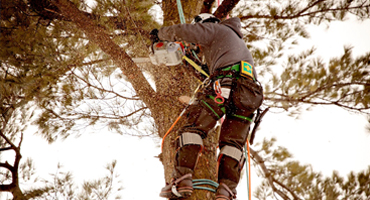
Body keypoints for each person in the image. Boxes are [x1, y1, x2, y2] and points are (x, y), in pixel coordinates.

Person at [150, 13, 263, 200]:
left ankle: (182, 181)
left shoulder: (215, 29)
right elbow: (207, 74)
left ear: (204, 25)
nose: (199, 47)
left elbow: (184, 31)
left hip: (226, 84)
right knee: (233, 144)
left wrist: (160, 34)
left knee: (194, 127)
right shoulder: (231, 43)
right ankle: (226, 191)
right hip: (249, 95)